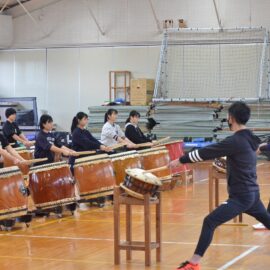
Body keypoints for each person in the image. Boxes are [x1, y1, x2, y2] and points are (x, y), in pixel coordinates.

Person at [169, 101, 270, 270]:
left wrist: (180, 160)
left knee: (210, 221)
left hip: (241, 197)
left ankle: (193, 263)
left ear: (231, 118)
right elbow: (254, 149)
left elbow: (206, 152)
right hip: (253, 195)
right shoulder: (251, 138)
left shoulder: (235, 141)